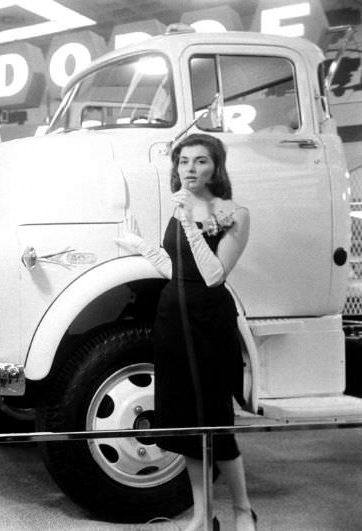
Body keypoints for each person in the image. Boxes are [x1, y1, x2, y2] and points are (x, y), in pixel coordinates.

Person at [116, 134, 254, 531]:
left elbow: (213, 275)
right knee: (187, 423)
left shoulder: (235, 213)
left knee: (214, 418)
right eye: (183, 162)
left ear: (216, 167)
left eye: (201, 162)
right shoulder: (180, 209)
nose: (190, 170)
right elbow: (176, 270)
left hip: (209, 322)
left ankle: (243, 510)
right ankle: (201, 513)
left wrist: (192, 223)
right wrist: (140, 245)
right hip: (173, 319)